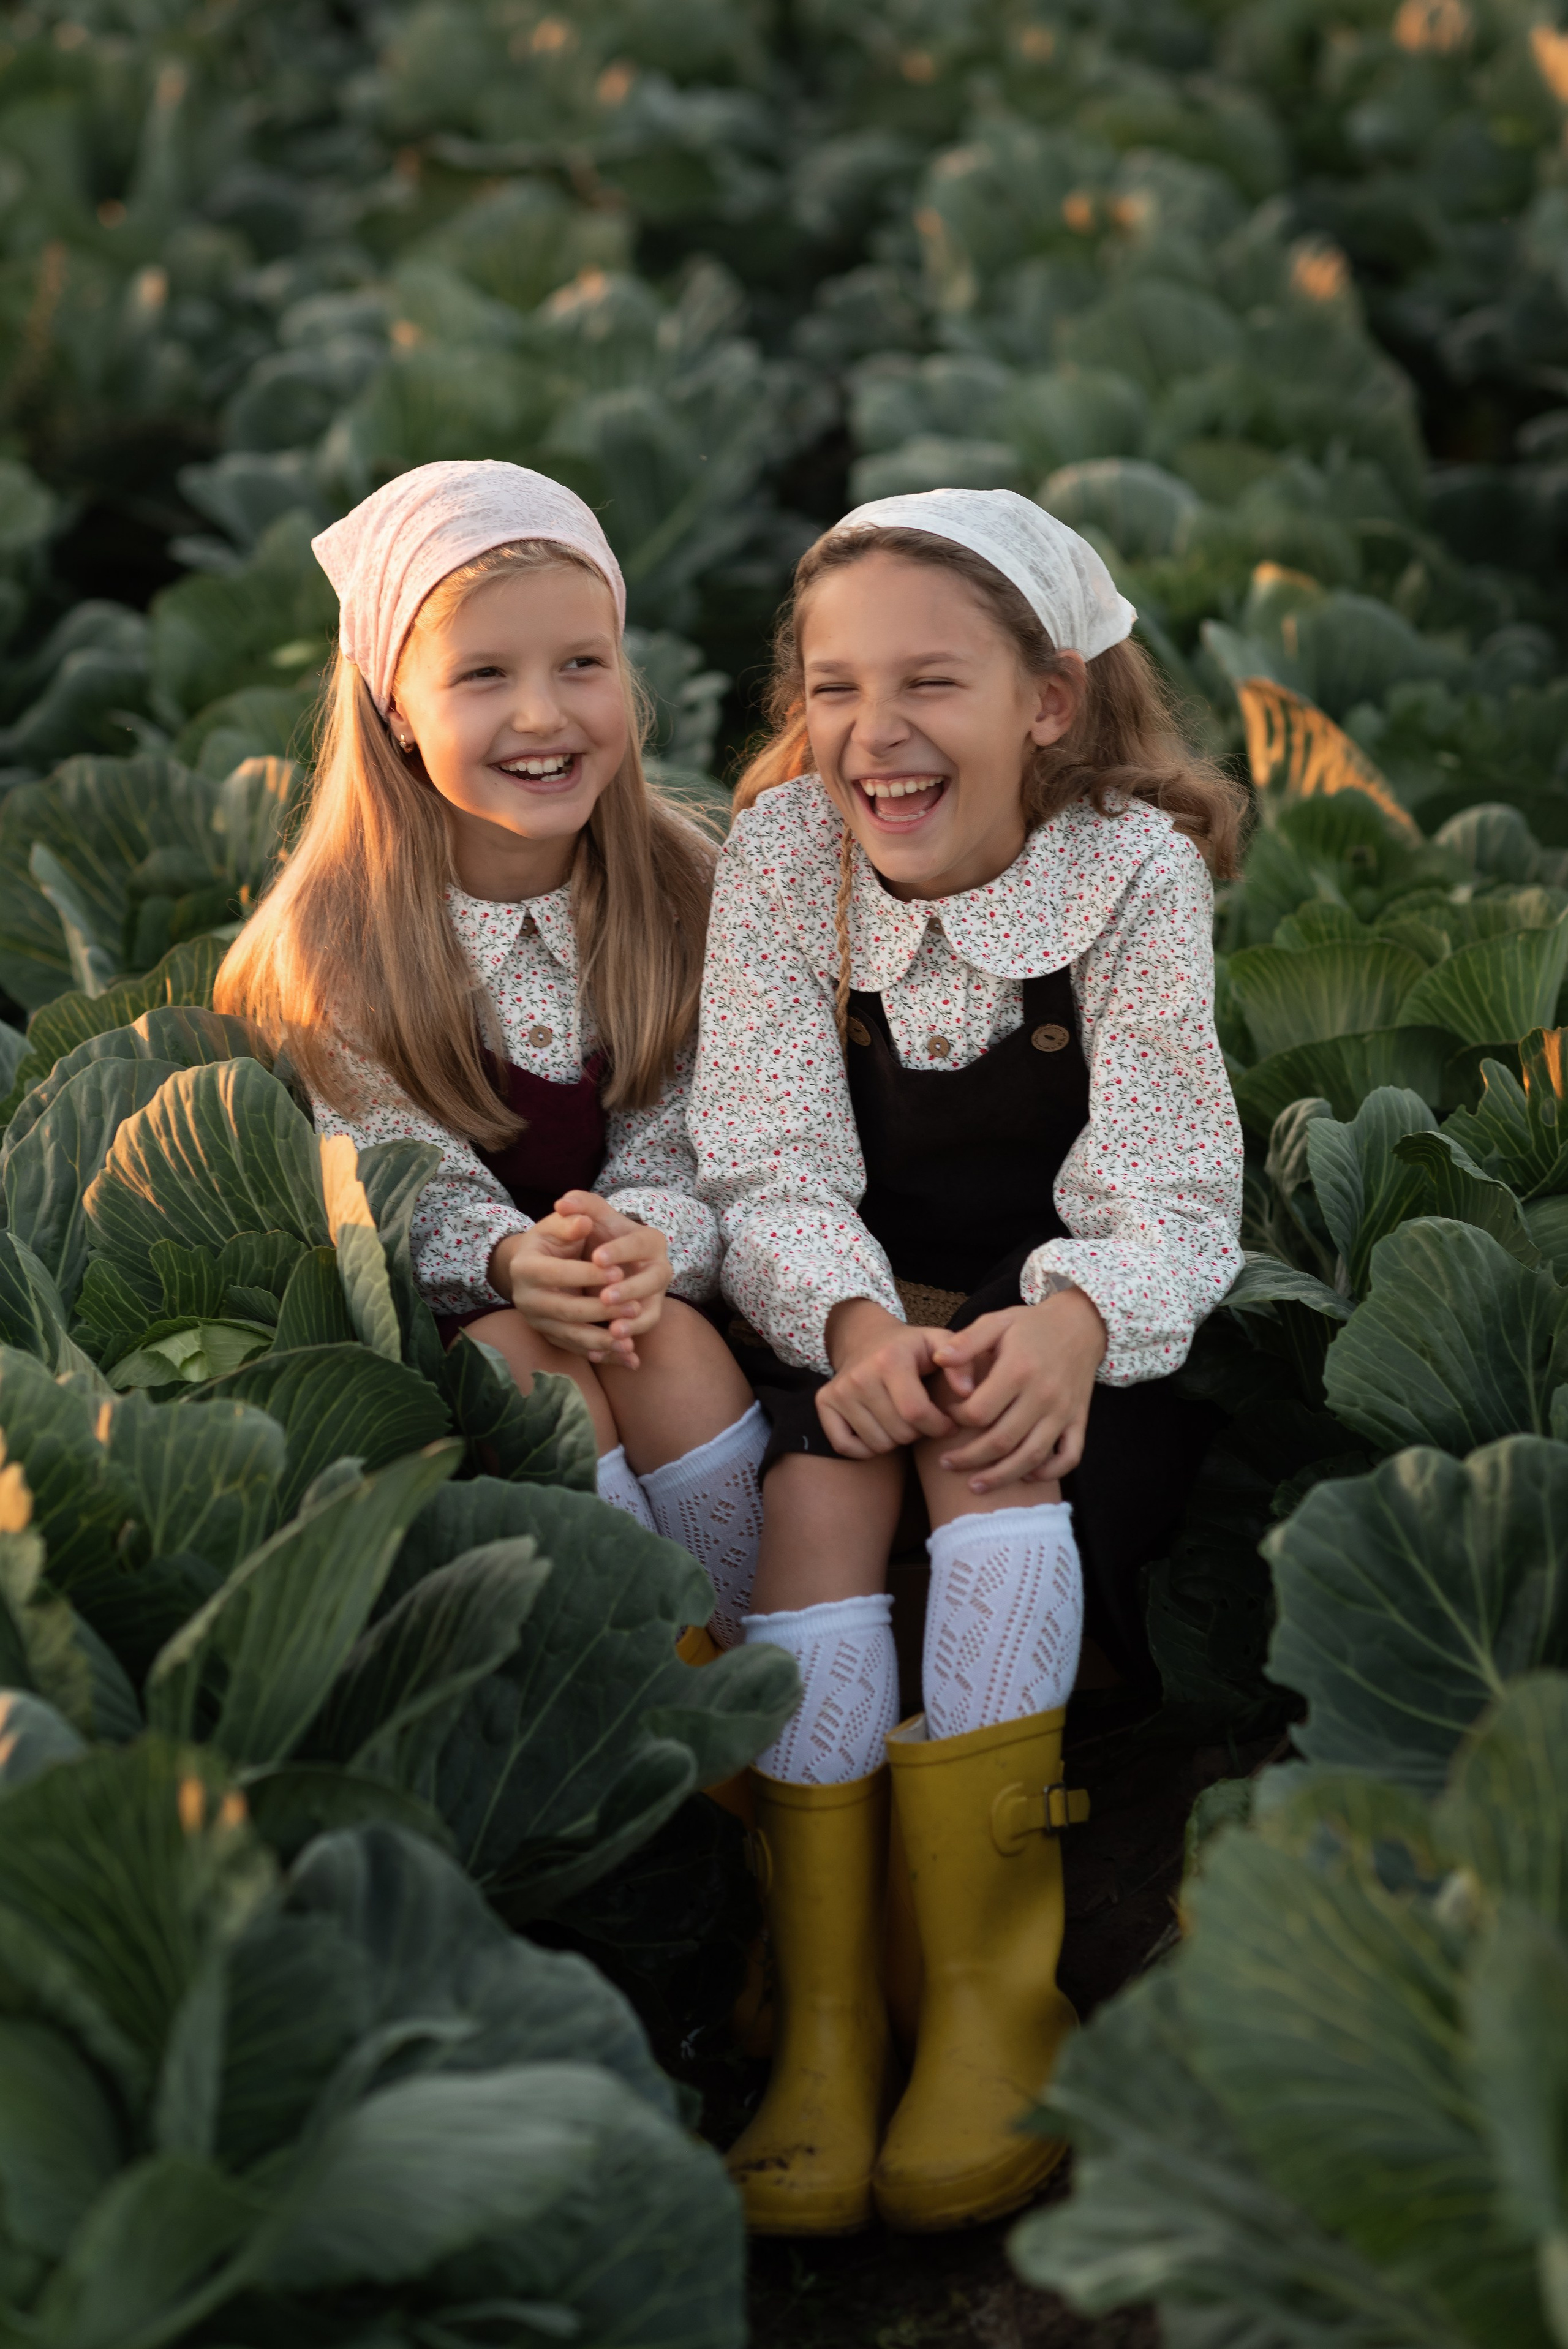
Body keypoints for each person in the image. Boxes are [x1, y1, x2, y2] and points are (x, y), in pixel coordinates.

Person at [689, 488, 1246, 2235]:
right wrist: (853, 1333)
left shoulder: (1135, 872)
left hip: (1073, 1333)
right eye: (836, 685)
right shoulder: (784, 858)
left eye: (932, 680)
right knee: (816, 1492)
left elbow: (1165, 1168)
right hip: (845, 1304)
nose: (875, 731)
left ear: (1051, 702)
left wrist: (1072, 1320)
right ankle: (833, 2010)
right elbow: (765, 1157)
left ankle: (995, 2000)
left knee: (990, 1455)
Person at [216, 459, 764, 1635]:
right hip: (453, 1310)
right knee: (534, 1362)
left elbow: (702, 1130)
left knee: (667, 1347)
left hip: (641, 1275)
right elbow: (399, 1180)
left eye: (583, 663)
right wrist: (521, 1264)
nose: (543, 714)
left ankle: (748, 1659)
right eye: (483, 676)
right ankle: (634, 1669)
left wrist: (637, 1242)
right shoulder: (339, 942)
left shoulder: (687, 888)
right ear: (397, 711)